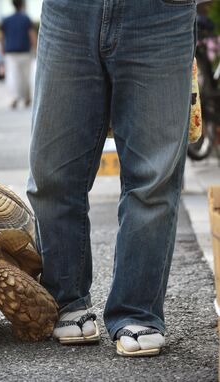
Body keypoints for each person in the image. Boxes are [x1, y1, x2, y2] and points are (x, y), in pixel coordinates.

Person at [27, 1, 195, 357]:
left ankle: (137, 310)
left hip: (162, 13)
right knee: (52, 172)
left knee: (153, 178)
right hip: (68, 12)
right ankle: (66, 299)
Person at [0, 0, 36, 109]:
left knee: (13, 75)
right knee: (25, 76)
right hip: (25, 52)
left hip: (11, 52)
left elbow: (1, 36)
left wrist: (1, 48)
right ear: (22, 5)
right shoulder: (26, 19)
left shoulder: (6, 20)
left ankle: (15, 97)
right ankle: (26, 97)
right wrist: (35, 49)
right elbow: (32, 35)